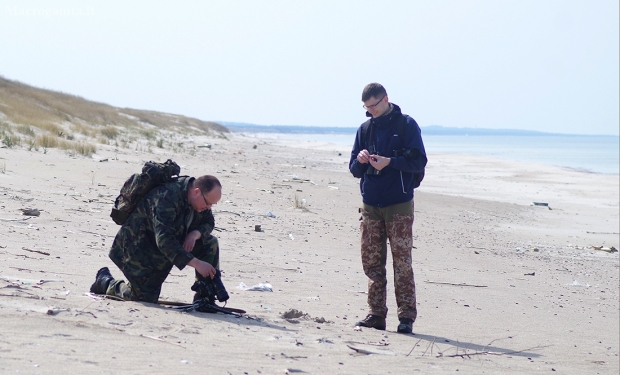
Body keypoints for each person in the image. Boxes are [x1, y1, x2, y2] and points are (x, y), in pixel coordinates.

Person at [349, 83, 427, 334]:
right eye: (366, 107)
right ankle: (376, 314)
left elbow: (419, 161)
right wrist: (362, 160)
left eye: (374, 105)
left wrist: (390, 162)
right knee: (372, 264)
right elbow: (353, 169)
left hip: (399, 204)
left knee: (402, 263)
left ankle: (406, 317)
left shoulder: (406, 125)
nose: (370, 111)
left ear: (386, 99)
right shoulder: (364, 129)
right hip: (370, 204)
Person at [89, 175, 223, 304]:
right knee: (142, 298)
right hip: (139, 247)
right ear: (196, 192)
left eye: (212, 205)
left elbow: (209, 221)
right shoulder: (167, 197)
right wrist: (197, 263)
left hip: (166, 243)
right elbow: (165, 242)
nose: (208, 208)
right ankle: (105, 281)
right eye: (208, 203)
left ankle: (205, 297)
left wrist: (195, 234)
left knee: (210, 243)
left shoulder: (198, 201)